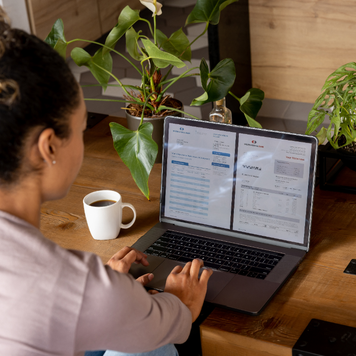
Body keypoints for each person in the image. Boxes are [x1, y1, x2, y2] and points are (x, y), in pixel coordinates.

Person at [0, 8, 213, 356]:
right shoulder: (73, 286)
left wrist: (102, 292)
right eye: (83, 127)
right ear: (49, 146)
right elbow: (176, 321)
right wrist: (173, 300)